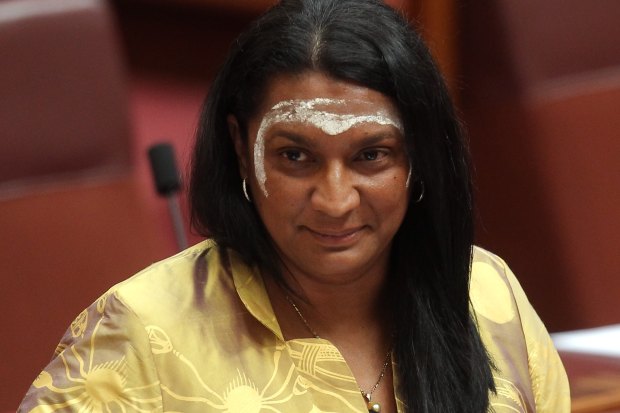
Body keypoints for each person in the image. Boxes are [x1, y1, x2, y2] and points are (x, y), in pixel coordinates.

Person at [18, 0, 570, 412]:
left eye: (371, 155)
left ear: (419, 155)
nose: (334, 200)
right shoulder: (142, 335)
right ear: (240, 148)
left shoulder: (487, 294)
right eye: (296, 157)